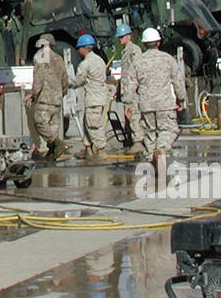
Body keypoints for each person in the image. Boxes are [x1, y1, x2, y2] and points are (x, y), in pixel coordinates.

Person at [120, 27, 186, 182]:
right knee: (169, 129)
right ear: (158, 42)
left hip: (146, 104)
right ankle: (161, 149)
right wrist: (181, 99)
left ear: (144, 44)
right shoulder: (168, 59)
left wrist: (128, 105)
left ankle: (152, 160)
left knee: (149, 132)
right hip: (165, 103)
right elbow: (178, 81)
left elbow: (130, 85)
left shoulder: (138, 62)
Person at [25, 33, 69, 161]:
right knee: (53, 128)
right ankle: (52, 153)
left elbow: (38, 80)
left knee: (40, 124)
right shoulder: (59, 59)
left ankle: (57, 143)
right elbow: (65, 79)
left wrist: (32, 95)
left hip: (45, 100)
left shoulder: (40, 58)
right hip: (57, 100)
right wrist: (62, 93)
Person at [71, 34, 110, 162]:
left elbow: (78, 81)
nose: (78, 51)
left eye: (79, 48)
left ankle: (100, 150)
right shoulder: (99, 60)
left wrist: (67, 82)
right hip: (100, 97)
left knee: (93, 125)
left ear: (84, 48)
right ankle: (88, 149)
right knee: (86, 123)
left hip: (93, 99)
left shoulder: (85, 64)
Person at [114, 23, 145, 154]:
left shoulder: (134, 50)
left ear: (128, 36)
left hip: (133, 90)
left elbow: (136, 71)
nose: (119, 39)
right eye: (119, 37)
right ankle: (131, 140)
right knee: (129, 116)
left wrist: (132, 89)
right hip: (127, 90)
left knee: (134, 115)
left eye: (122, 37)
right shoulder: (125, 51)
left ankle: (138, 142)